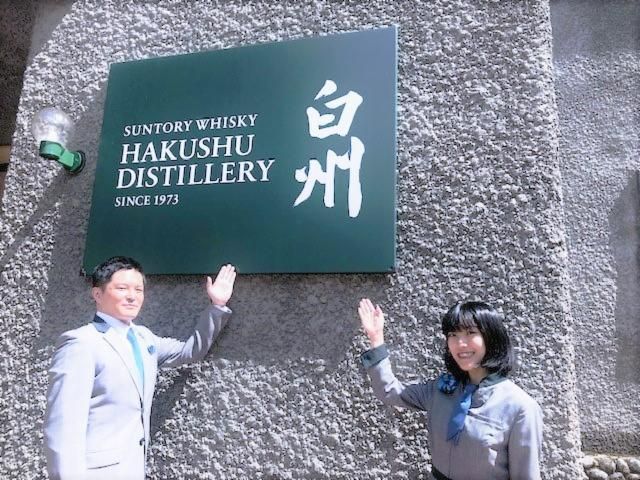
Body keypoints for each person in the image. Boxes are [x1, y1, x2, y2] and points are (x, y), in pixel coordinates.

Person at [44, 256, 237, 480]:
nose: (132, 296)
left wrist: (217, 306)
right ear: (97, 294)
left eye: (138, 289)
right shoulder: (81, 343)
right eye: (122, 288)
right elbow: (63, 426)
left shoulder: (144, 338)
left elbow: (189, 351)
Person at [358, 299, 543, 480]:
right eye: (453, 334)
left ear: (491, 337)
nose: (460, 343)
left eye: (471, 332)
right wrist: (376, 338)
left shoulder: (520, 407)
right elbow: (389, 391)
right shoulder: (439, 390)